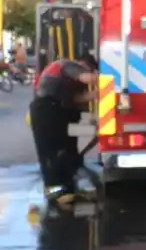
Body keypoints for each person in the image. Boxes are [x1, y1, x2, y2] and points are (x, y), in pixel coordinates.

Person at [30, 54, 97, 204]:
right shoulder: (68, 65)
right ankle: (55, 189)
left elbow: (76, 99)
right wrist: (110, 78)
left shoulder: (66, 79)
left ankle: (67, 187)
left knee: (65, 148)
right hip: (46, 109)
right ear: (84, 64)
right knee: (51, 150)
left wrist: (95, 95)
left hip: (54, 110)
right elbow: (88, 78)